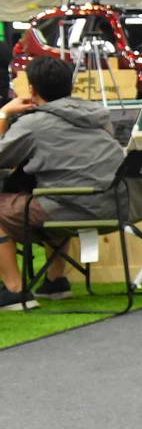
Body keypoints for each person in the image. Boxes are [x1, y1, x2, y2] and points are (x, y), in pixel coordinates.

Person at [0, 56, 125, 311]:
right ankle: (55, 282)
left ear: (32, 89)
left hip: (70, 206)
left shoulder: (33, 123)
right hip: (114, 206)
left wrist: (3, 114)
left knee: (48, 199)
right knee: (52, 193)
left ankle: (14, 290)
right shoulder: (97, 114)